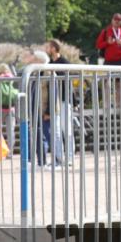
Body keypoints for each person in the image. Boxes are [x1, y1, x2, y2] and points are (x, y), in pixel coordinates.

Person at [45, 39, 73, 167]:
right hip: (54, 101)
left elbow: (69, 81)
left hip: (64, 99)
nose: (47, 49)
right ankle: (59, 157)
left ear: (54, 48)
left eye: (49, 47)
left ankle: (70, 157)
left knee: (66, 129)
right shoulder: (49, 63)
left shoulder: (64, 62)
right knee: (56, 130)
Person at [0, 63, 19, 152]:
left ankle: (0, 150)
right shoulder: (13, 79)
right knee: (10, 131)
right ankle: (10, 152)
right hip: (11, 108)